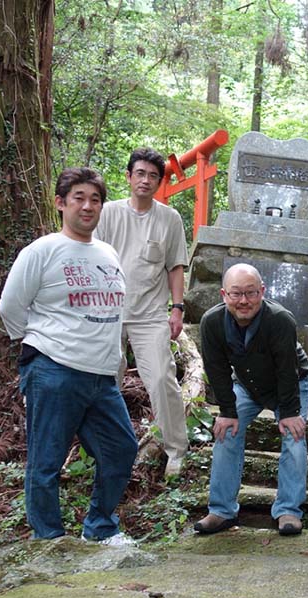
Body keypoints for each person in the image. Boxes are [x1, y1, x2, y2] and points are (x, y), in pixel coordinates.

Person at [0, 167, 138, 545]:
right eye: (79, 197)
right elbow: (11, 307)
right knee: (46, 461)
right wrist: (41, 343)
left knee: (121, 449)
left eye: (95, 199)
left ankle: (100, 528)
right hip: (54, 368)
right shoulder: (42, 250)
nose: (88, 206)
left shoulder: (107, 253)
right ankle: (50, 539)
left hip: (101, 376)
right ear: (61, 203)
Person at [195, 263, 308, 536]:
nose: (243, 301)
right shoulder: (212, 322)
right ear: (224, 294)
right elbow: (217, 369)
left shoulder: (280, 319)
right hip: (246, 385)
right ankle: (221, 510)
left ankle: (288, 510)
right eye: (236, 294)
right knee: (226, 433)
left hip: (290, 384)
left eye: (251, 293)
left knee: (294, 438)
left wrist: (289, 412)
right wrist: (227, 410)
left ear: (262, 291)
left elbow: (287, 369)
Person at [96, 148, 190, 476]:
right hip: (108, 312)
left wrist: (177, 308)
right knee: (106, 379)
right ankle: (102, 448)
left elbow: (175, 266)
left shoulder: (169, 218)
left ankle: (176, 449)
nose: (145, 180)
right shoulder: (107, 213)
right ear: (129, 176)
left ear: (159, 181)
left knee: (162, 377)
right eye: (140, 173)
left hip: (150, 313)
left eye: (152, 176)